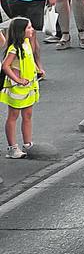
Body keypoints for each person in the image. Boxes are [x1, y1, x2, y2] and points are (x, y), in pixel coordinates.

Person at [1, 16, 42, 158]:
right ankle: (12, 147)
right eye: (29, 27)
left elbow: (29, 60)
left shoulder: (26, 44)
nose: (32, 30)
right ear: (20, 31)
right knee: (13, 115)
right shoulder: (14, 49)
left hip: (29, 85)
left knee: (28, 115)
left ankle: (28, 143)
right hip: (17, 88)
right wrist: (17, 80)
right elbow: (5, 66)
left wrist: (38, 69)